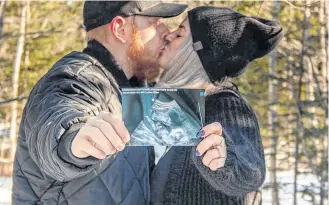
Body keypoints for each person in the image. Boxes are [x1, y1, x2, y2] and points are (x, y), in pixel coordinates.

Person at [11, 1, 194, 204]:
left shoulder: (131, 88)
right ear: (120, 29)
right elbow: (59, 117)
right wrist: (73, 139)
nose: (166, 32)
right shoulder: (78, 77)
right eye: (155, 22)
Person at [152, 6, 284, 205]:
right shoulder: (173, 102)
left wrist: (225, 159)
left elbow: (250, 172)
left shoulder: (225, 104)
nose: (169, 36)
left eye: (179, 33)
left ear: (197, 52)